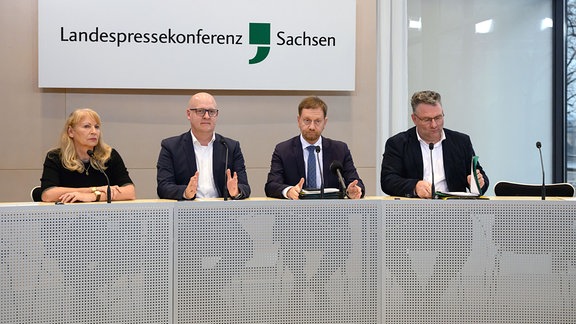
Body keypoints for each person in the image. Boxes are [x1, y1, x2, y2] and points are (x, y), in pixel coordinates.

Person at [380, 90, 489, 198]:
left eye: (438, 117)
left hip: (454, 210)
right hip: (414, 210)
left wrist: (477, 182)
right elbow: (388, 180)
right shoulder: (398, 143)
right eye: (427, 119)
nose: (434, 125)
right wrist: (414, 186)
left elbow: (479, 175)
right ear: (414, 119)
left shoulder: (461, 142)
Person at [265, 96, 365, 199]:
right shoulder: (283, 150)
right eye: (307, 120)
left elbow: (356, 183)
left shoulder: (340, 150)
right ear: (299, 120)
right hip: (295, 211)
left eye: (317, 121)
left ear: (325, 122)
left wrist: (354, 190)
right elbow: (271, 186)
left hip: (331, 212)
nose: (312, 127)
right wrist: (289, 191)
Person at [156, 92, 250, 200]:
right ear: (188, 114)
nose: (206, 116)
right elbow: (163, 187)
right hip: (186, 213)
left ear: (217, 115)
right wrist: (186, 192)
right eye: (200, 111)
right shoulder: (171, 147)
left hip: (223, 212)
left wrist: (236, 191)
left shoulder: (230, 147)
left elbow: (245, 187)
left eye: (211, 112)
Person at [39, 108, 136, 203]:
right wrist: (95, 189)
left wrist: (93, 196)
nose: (94, 132)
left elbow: (130, 192)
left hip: (104, 216)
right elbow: (48, 194)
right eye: (86, 126)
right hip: (68, 216)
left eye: (97, 127)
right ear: (71, 132)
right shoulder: (55, 157)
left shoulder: (109, 155)